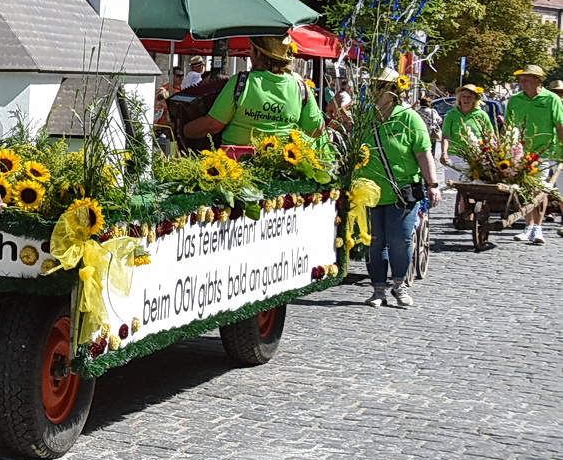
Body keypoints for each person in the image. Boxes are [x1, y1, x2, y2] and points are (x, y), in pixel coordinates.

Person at [357, 68, 442, 308]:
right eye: (374, 86)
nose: (374, 91)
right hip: (370, 190)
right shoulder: (366, 117)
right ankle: (378, 290)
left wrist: (432, 185)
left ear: (393, 92)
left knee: (400, 239)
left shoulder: (409, 118)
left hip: (401, 190)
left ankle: (400, 285)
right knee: (374, 241)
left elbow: (423, 153)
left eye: (380, 87)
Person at [183, 34, 324, 146]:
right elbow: (316, 130)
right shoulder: (301, 88)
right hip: (281, 166)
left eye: (252, 50)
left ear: (258, 54)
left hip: (236, 167)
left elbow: (212, 125)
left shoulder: (241, 82)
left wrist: (183, 129)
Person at [504, 64, 563, 244]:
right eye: (521, 80)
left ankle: (537, 227)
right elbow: (507, 127)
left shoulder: (551, 99)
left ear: (538, 81)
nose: (523, 83)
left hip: (544, 152)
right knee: (524, 190)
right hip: (519, 153)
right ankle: (528, 226)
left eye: (527, 79)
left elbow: (560, 126)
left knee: (538, 188)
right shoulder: (515, 100)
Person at [439, 84, 494, 192]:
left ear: (474, 99)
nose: (466, 99)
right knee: (453, 188)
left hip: (476, 157)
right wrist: (444, 153)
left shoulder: (481, 115)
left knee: (474, 189)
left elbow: (490, 136)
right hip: (455, 156)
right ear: (459, 98)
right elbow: (446, 136)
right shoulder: (451, 114)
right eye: (463, 96)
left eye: (469, 97)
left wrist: (490, 155)